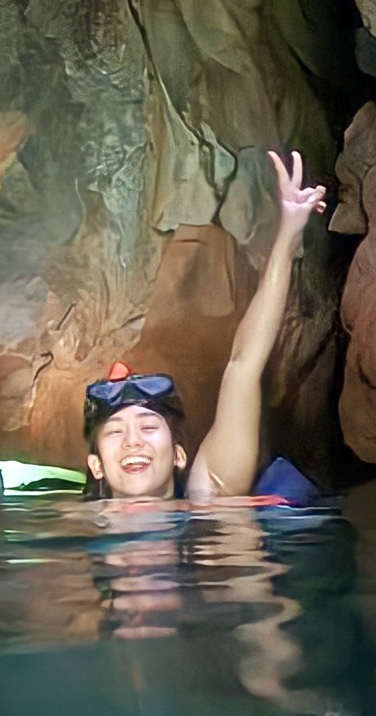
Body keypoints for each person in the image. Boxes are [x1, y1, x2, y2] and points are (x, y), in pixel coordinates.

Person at [83, 148, 326, 501]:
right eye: (116, 432)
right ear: (96, 466)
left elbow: (242, 365)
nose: (133, 440)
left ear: (180, 455)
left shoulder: (209, 500)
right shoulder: (71, 532)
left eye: (149, 427)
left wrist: (287, 236)